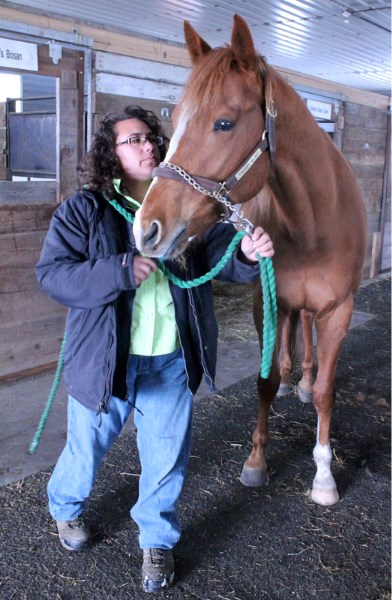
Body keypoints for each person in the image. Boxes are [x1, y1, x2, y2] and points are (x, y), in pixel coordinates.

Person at [35, 105, 274, 594]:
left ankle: (157, 538)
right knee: (87, 449)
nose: (147, 145)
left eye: (150, 137)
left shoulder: (186, 199)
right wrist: (119, 271)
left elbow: (218, 260)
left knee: (166, 456)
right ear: (111, 153)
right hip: (106, 361)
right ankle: (65, 508)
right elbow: (53, 275)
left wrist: (246, 254)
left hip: (171, 357)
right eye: (133, 140)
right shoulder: (87, 208)